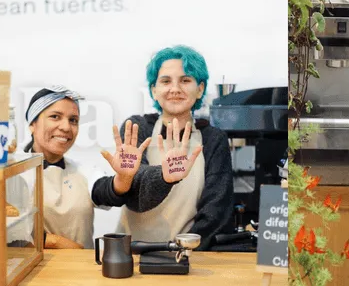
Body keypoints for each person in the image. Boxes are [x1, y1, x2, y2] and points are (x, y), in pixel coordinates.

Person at [92, 45, 234, 250]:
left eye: (185, 80)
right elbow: (135, 197)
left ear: (200, 89)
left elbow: (216, 211)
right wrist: (164, 177)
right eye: (165, 81)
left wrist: (186, 250)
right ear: (153, 90)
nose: (175, 89)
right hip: (133, 254)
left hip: (188, 256)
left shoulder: (213, 139)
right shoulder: (137, 128)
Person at [21, 85, 133, 249]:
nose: (66, 127)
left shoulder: (84, 171)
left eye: (73, 120)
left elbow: (105, 191)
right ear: (32, 124)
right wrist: (58, 243)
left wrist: (123, 178)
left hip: (80, 272)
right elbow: (8, 231)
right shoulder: (14, 173)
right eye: (55, 116)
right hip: (29, 271)